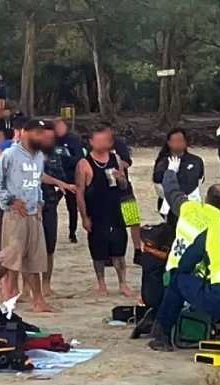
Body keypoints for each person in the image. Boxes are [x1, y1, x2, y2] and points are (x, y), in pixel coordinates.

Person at [149, 203, 220, 356]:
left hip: (219, 298)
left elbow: (185, 263)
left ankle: (161, 334)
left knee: (178, 279)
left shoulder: (214, 231)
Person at [0, 119, 57, 312]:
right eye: (37, 133)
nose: (40, 137)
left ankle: (38, 301)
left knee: (34, 258)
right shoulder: (10, 154)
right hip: (15, 213)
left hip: (34, 213)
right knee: (11, 256)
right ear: (25, 132)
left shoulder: (39, 156)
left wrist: (40, 202)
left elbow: (37, 181)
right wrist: (9, 200)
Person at [75, 125, 137, 297]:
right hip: (96, 211)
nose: (102, 144)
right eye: (98, 140)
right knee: (98, 251)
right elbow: (79, 192)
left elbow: (124, 185)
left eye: (105, 140)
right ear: (91, 142)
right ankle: (101, 283)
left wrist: (120, 177)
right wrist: (84, 217)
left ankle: (122, 283)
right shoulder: (84, 163)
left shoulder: (116, 158)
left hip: (116, 209)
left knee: (119, 248)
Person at [39, 130, 77, 297]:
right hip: (30, 207)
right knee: (29, 249)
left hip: (50, 206)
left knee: (49, 247)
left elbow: (63, 178)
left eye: (51, 138)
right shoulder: (28, 155)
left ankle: (46, 284)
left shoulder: (55, 155)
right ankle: (27, 288)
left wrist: (56, 197)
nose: (49, 140)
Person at [104, 124, 142, 262]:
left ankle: (138, 250)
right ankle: (108, 252)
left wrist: (117, 165)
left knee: (133, 218)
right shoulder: (96, 146)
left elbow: (127, 162)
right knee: (109, 221)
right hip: (106, 188)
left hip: (123, 187)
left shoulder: (119, 144)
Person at [152, 128, 205, 223]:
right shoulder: (162, 163)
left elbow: (200, 180)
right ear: (168, 143)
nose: (178, 144)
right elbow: (158, 186)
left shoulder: (196, 161)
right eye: (175, 141)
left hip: (192, 203)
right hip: (171, 206)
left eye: (180, 140)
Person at [54, 118, 84, 244]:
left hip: (71, 178)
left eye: (62, 126)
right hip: (55, 179)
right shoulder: (50, 141)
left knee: (72, 207)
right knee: (50, 206)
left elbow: (79, 158)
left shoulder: (74, 141)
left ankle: (72, 233)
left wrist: (63, 159)